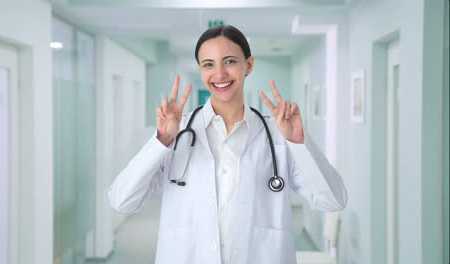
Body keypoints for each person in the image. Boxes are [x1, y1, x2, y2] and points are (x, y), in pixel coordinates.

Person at [108, 25, 347, 264]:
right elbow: (122, 200)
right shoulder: (176, 134)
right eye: (208, 64)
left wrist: (299, 142)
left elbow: (333, 200)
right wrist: (161, 141)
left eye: (230, 61)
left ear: (249, 65)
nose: (219, 74)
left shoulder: (278, 136)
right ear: (201, 70)